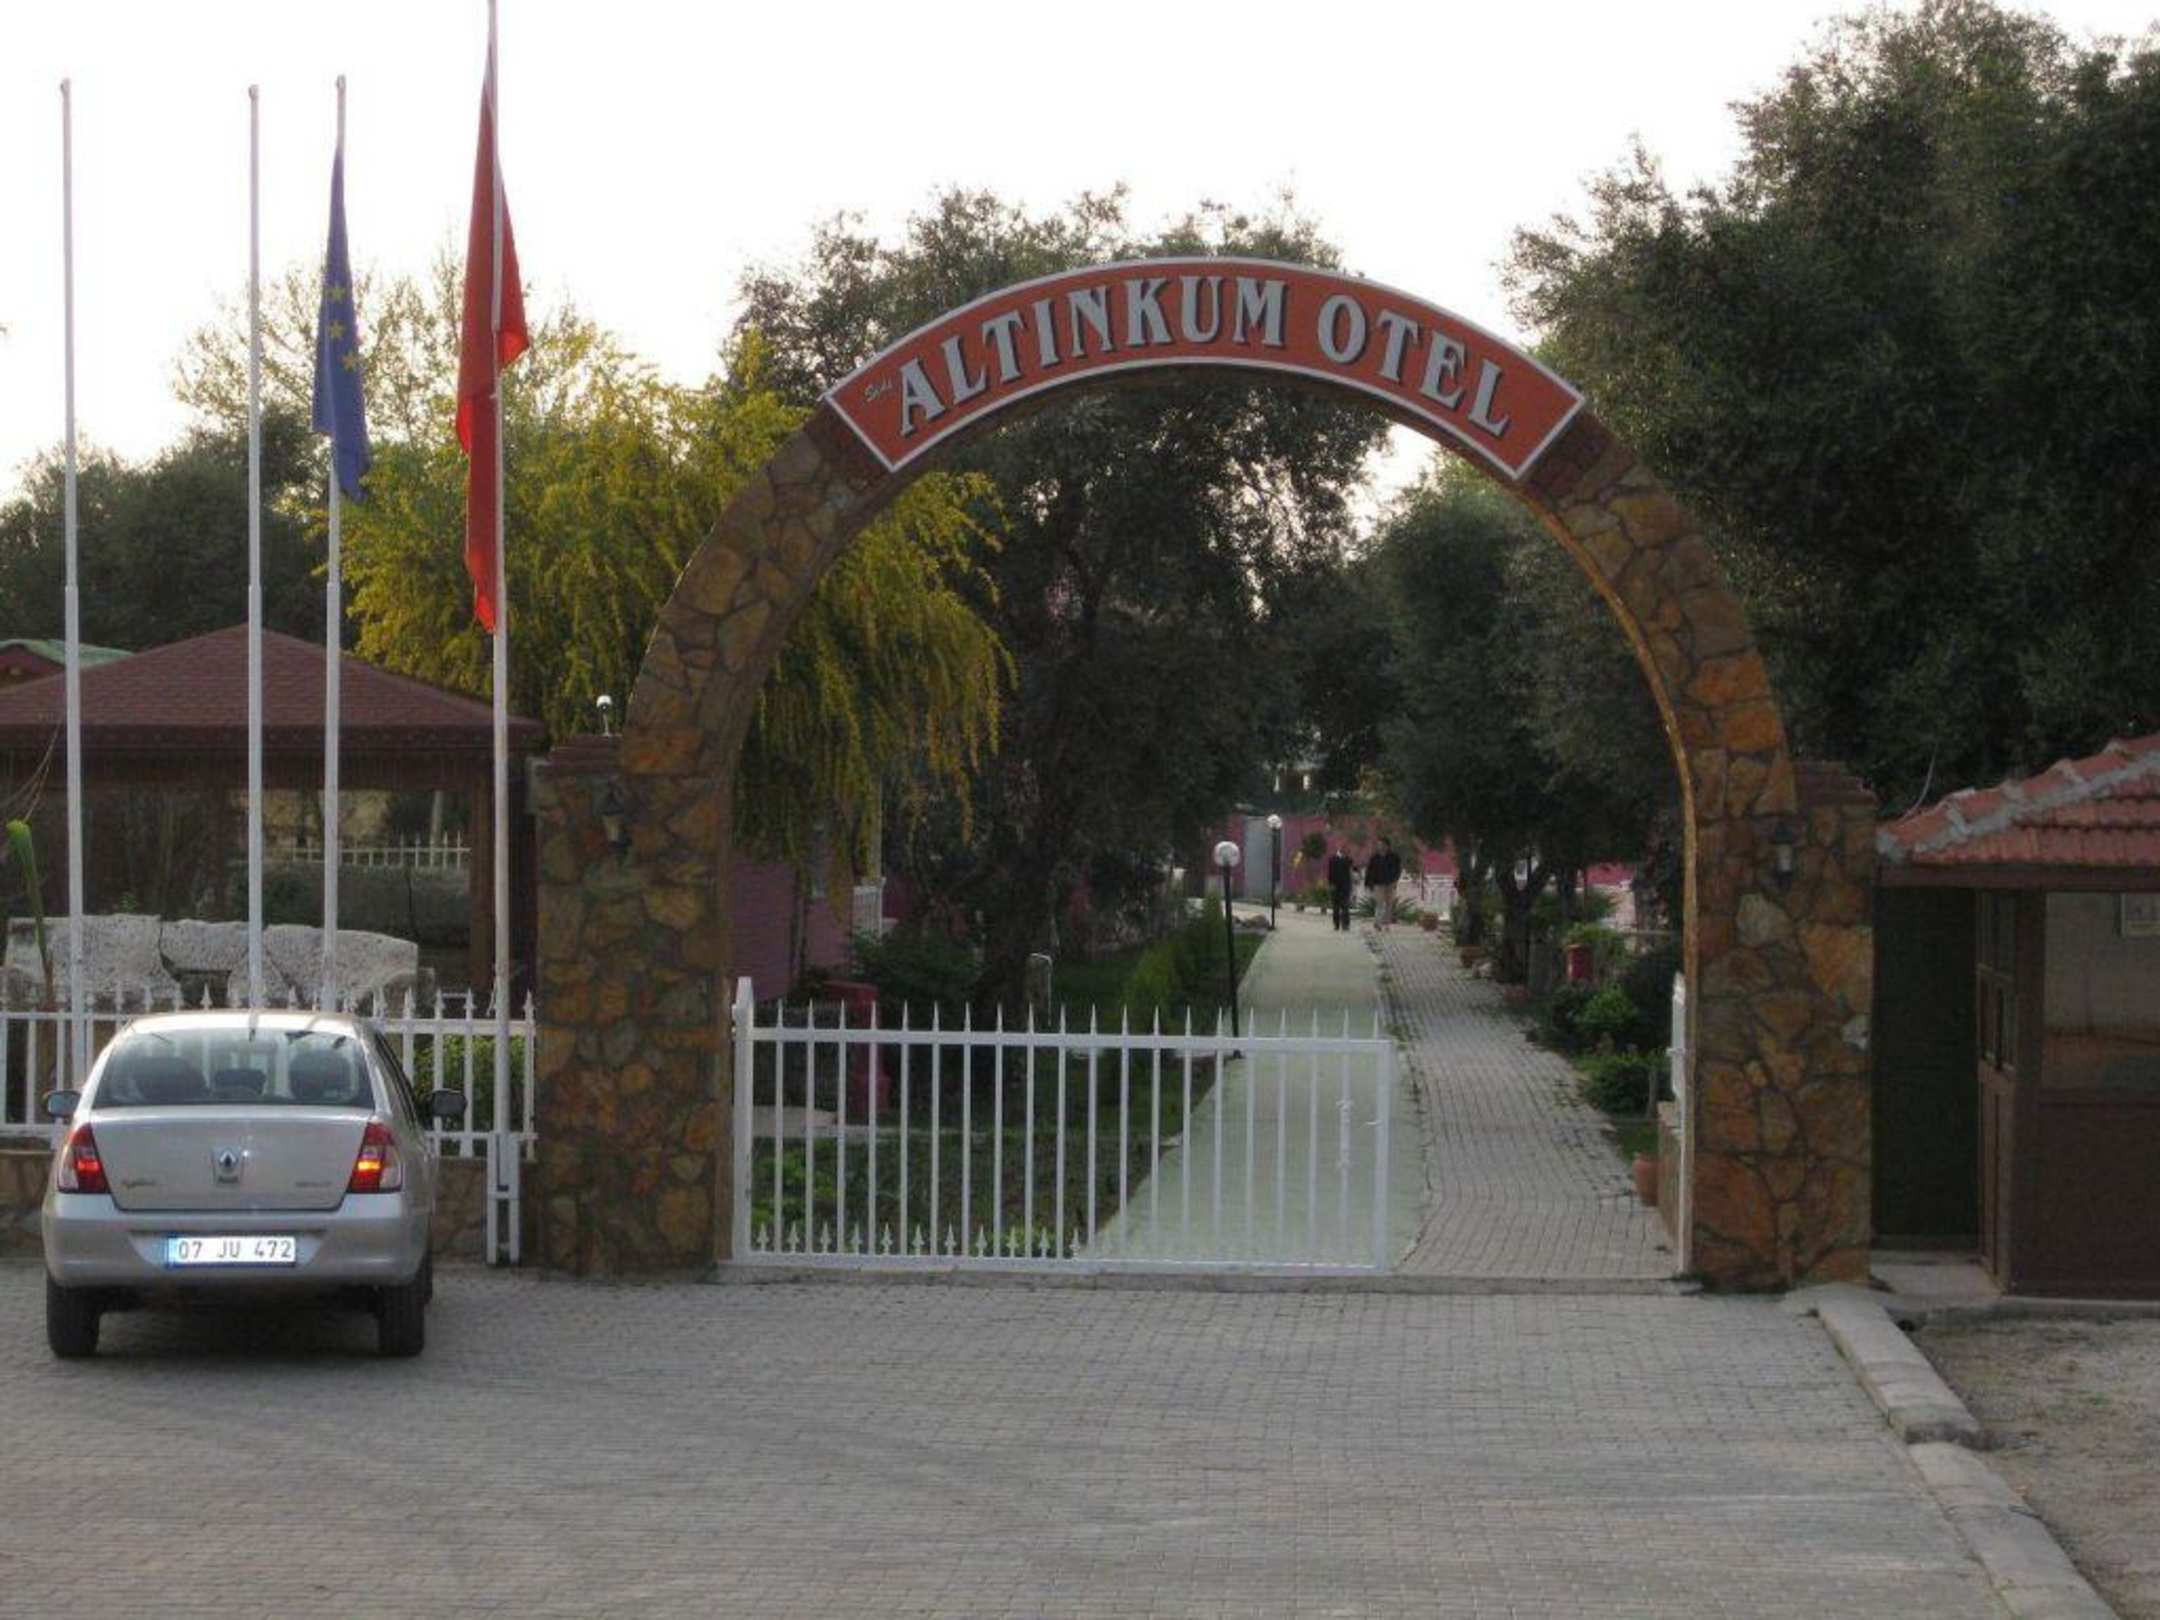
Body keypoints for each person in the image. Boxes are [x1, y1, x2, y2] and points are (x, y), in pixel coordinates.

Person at [1365, 837, 1403, 930]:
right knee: (1379, 903)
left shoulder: (1394, 857)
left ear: (1387, 846)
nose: (1380, 846)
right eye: (1379, 845)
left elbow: (1398, 870)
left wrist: (1395, 880)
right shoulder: (1374, 858)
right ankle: (1377, 922)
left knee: (1389, 904)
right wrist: (1368, 883)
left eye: (1382, 845)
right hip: (1378, 883)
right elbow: (1369, 871)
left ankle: (1386, 924)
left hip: (1390, 883)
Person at [1325, 844, 1355, 933]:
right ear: (1339, 848)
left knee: (1345, 905)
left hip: (1346, 885)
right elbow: (1330, 873)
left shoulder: (1349, 859)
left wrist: (1352, 884)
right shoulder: (1332, 859)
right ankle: (1336, 924)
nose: (1344, 849)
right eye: (1343, 847)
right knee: (1336, 906)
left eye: (1346, 848)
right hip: (1335, 885)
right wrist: (1330, 884)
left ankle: (1345, 924)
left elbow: (1350, 871)